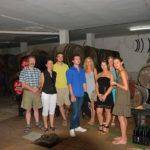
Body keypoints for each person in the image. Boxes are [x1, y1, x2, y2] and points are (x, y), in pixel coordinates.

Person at [19, 56, 42, 133]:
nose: (32, 62)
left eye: (34, 61)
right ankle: (28, 125)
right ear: (28, 62)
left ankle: (37, 123)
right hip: (28, 92)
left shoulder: (38, 70)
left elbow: (41, 82)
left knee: (36, 109)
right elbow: (23, 84)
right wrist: (32, 89)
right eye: (31, 61)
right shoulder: (23, 71)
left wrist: (38, 88)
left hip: (36, 91)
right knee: (28, 110)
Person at [111, 57, 131, 145]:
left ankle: (123, 140)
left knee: (121, 118)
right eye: (114, 63)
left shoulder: (122, 72)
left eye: (117, 62)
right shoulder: (121, 71)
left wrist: (115, 84)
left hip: (123, 96)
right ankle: (124, 136)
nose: (115, 65)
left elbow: (126, 88)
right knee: (123, 117)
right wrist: (116, 85)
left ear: (121, 62)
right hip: (122, 96)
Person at [66, 54, 87, 137]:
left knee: (78, 111)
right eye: (76, 59)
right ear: (73, 61)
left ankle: (77, 126)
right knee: (74, 112)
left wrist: (86, 93)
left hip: (81, 94)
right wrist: (72, 95)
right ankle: (71, 128)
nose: (78, 60)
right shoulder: (70, 71)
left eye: (79, 59)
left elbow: (84, 82)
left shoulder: (82, 70)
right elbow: (69, 84)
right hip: (74, 94)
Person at [96, 60, 114, 133]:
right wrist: (98, 94)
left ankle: (106, 125)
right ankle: (101, 124)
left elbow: (112, 86)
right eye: (102, 65)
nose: (103, 66)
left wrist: (105, 95)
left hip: (108, 95)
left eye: (104, 65)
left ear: (107, 65)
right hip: (100, 95)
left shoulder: (110, 74)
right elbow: (96, 85)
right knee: (98, 112)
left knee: (107, 112)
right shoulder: (99, 74)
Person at [53, 53, 70, 126]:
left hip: (66, 87)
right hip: (57, 87)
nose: (60, 58)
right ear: (56, 58)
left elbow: (69, 76)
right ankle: (64, 119)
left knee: (68, 104)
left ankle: (66, 112)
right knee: (60, 104)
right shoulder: (53, 66)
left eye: (62, 57)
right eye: (59, 56)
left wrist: (70, 85)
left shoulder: (66, 66)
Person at [40, 59, 57, 132]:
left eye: (52, 63)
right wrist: (40, 92)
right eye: (49, 63)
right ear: (46, 65)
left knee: (52, 109)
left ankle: (52, 125)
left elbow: (54, 84)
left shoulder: (55, 73)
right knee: (45, 109)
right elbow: (41, 84)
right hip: (45, 93)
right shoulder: (43, 73)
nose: (50, 65)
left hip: (53, 93)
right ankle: (46, 126)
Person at [84, 57, 97, 125]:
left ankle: (92, 119)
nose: (88, 62)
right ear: (85, 62)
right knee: (89, 106)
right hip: (87, 90)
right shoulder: (84, 70)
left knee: (92, 106)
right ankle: (91, 118)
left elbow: (96, 81)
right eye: (87, 61)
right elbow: (84, 81)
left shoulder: (94, 70)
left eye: (89, 61)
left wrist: (96, 90)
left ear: (91, 62)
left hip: (93, 90)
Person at [108, 56, 118, 127]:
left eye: (112, 61)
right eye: (110, 61)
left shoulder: (115, 69)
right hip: (108, 89)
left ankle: (113, 120)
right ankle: (108, 119)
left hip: (114, 90)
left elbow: (116, 80)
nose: (111, 62)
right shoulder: (107, 68)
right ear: (108, 61)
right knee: (108, 105)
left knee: (114, 105)